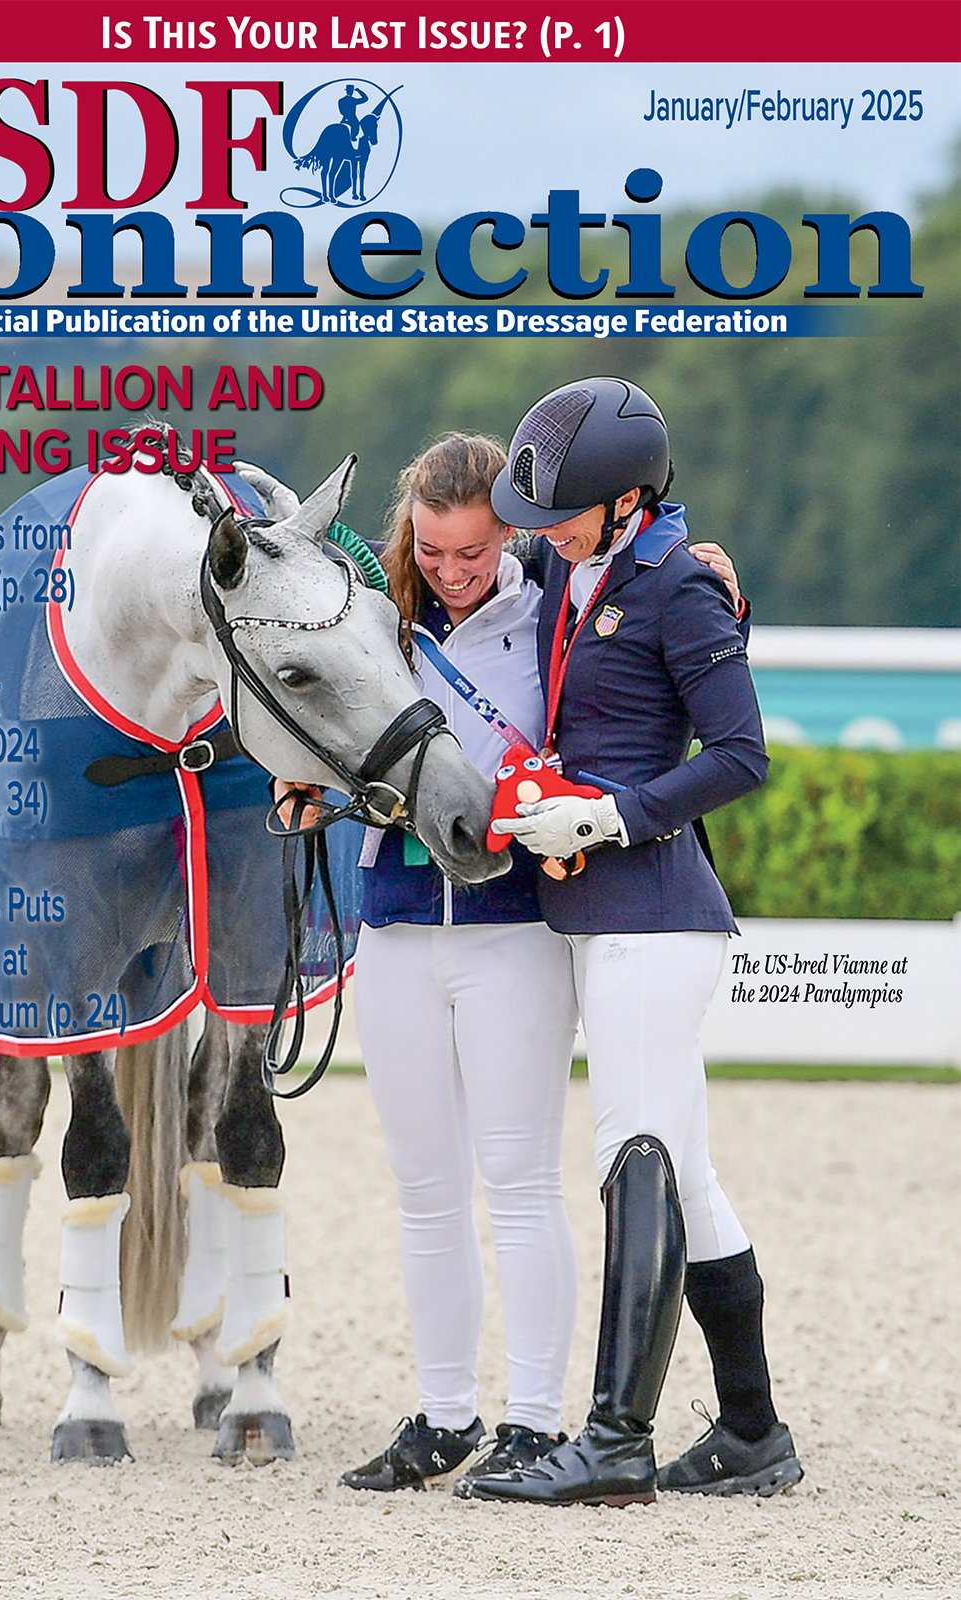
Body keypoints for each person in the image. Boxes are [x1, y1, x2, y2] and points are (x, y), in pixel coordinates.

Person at [282, 433, 746, 1494]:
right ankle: (444, 1413)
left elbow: (655, 623)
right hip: (396, 921)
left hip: (513, 925)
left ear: (513, 534)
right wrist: (302, 784)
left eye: (474, 550)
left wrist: (719, 578)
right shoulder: (373, 618)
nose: (452, 571)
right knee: (422, 1189)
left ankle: (532, 1421)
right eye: (432, 550)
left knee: (521, 1183)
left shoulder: (553, 607)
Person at [462, 376, 802, 1507]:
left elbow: (741, 754)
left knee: (636, 1155)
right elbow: (453, 563)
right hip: (587, 914)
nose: (542, 532)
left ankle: (615, 1439)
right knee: (688, 1176)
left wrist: (613, 816)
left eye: (562, 513)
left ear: (628, 499)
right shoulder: (569, 567)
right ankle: (751, 1432)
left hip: (652, 914)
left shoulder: (677, 585)